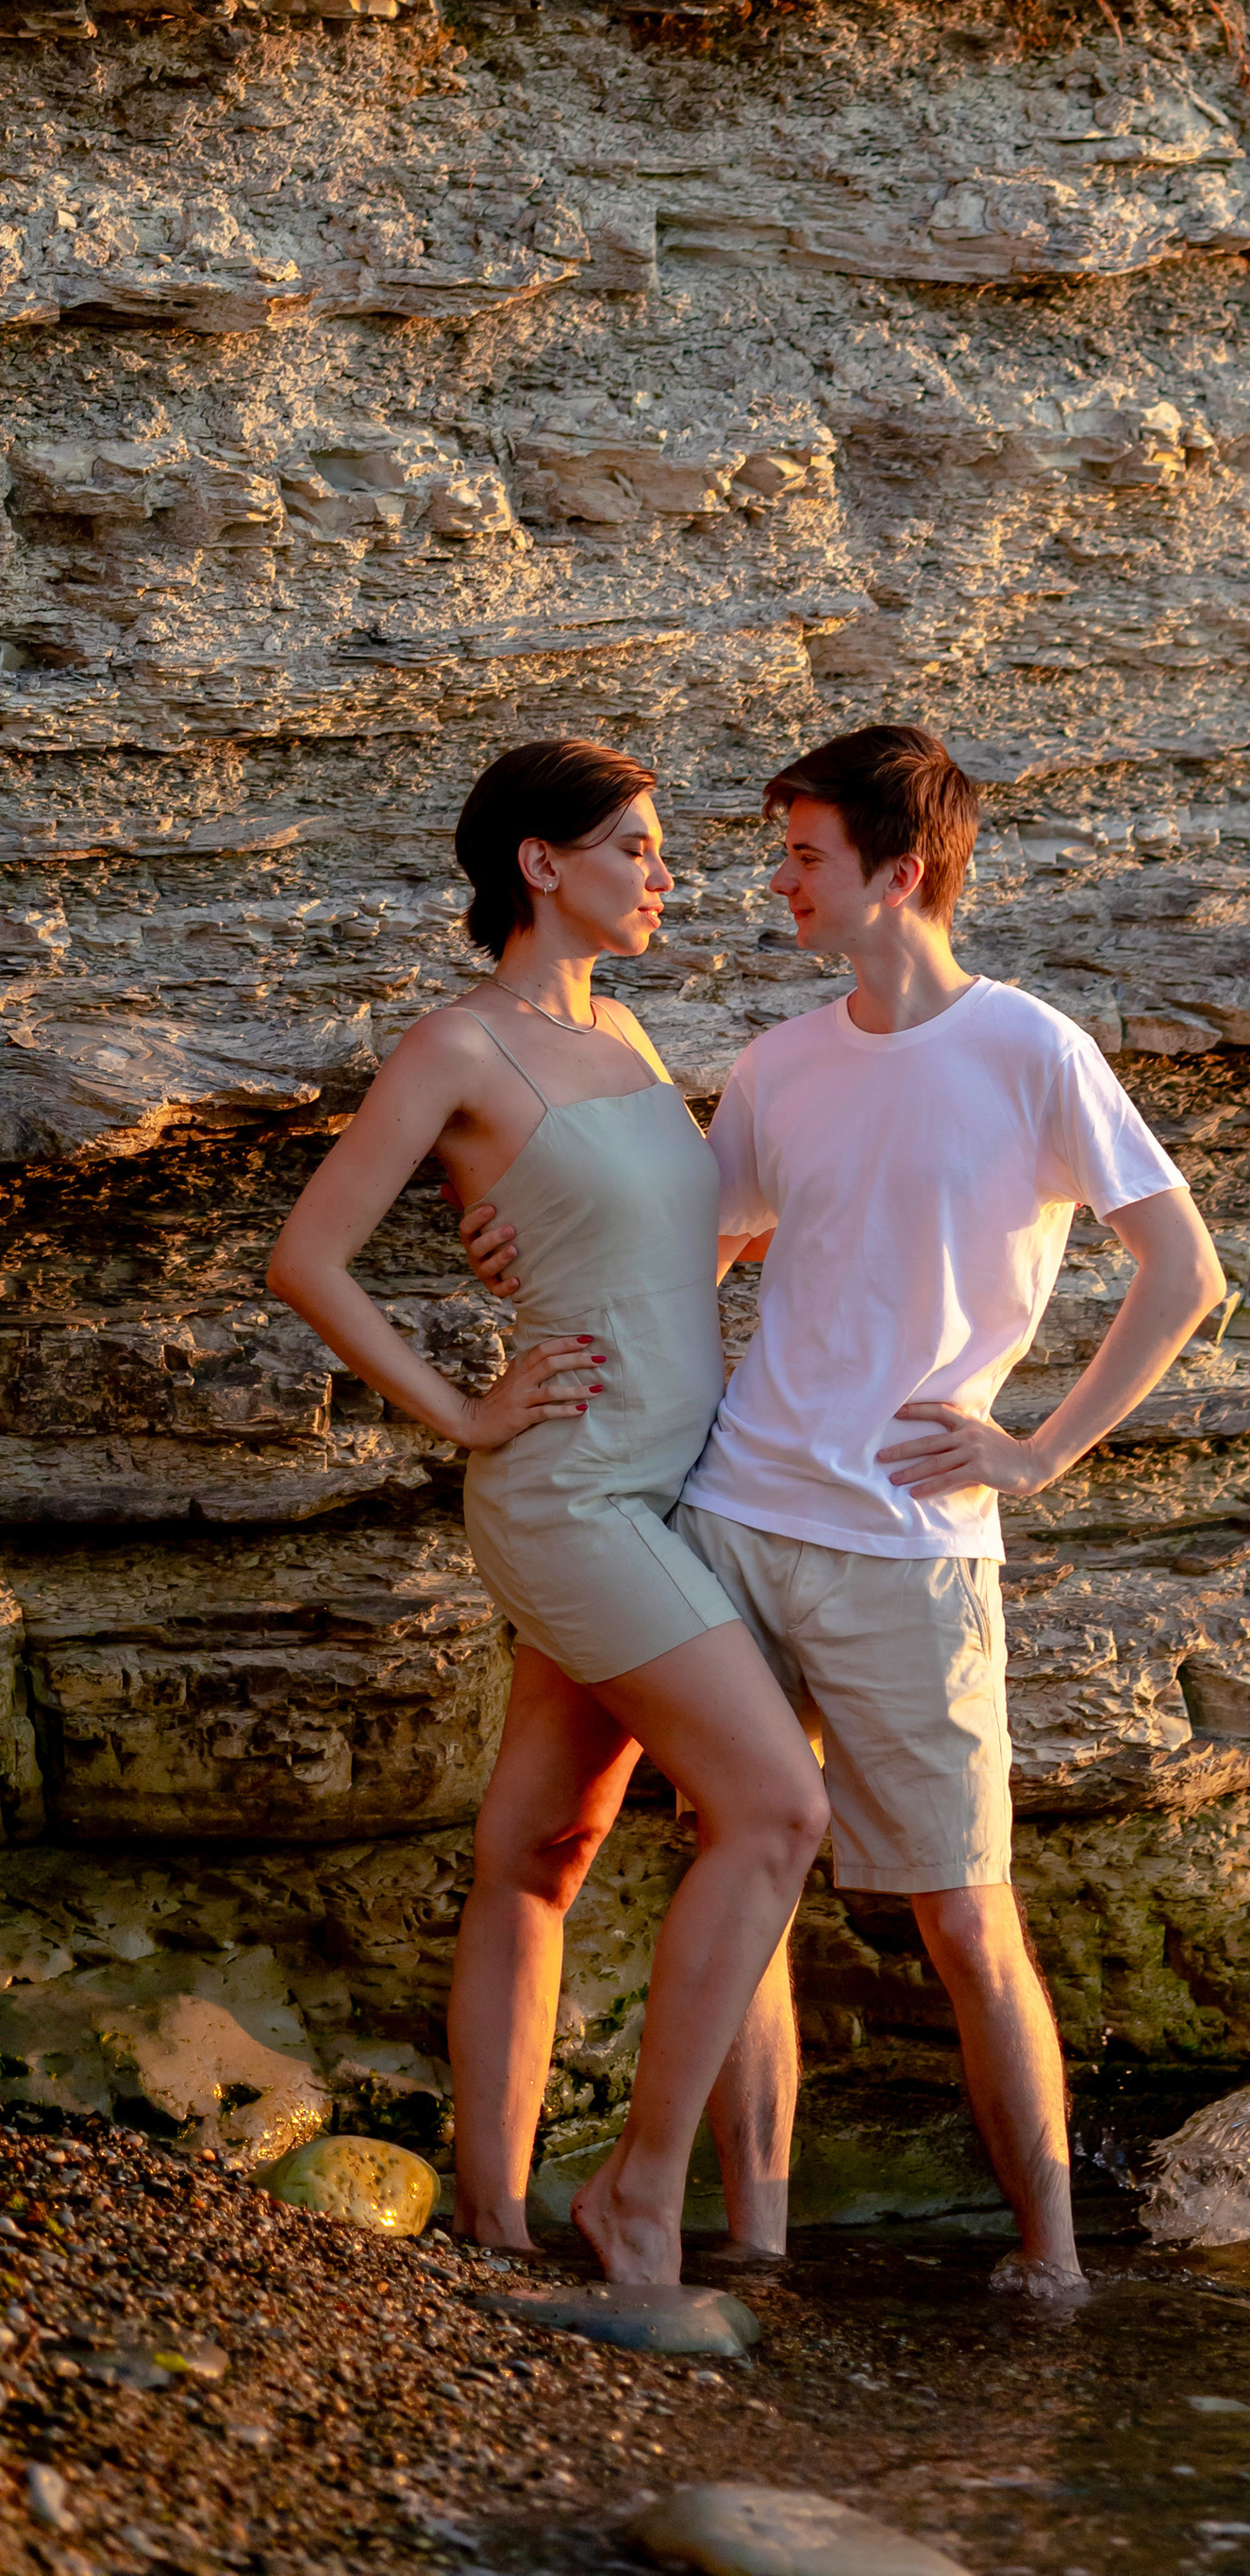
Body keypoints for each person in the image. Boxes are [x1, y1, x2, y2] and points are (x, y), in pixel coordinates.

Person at [458, 722, 1225, 2292]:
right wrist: (517, 1250)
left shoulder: (1031, 1050)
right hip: (737, 1512)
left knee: (963, 1920)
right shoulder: (783, 1063)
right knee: (743, 1858)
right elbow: (688, 1242)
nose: (778, 880)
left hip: (913, 1552)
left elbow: (1183, 1273)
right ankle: (754, 2238)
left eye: (805, 854)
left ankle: (1055, 2265)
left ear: (902, 870)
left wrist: (1041, 1449)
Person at [265, 739, 828, 2286]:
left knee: (543, 1848)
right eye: (636, 846)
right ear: (540, 864)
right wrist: (462, 1406)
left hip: (677, 1479)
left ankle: (495, 2221)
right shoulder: (457, 1051)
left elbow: (683, 1249)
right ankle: (636, 2204)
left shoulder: (636, 1039)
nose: (667, 873)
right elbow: (309, 1260)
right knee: (777, 1808)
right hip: (570, 1492)